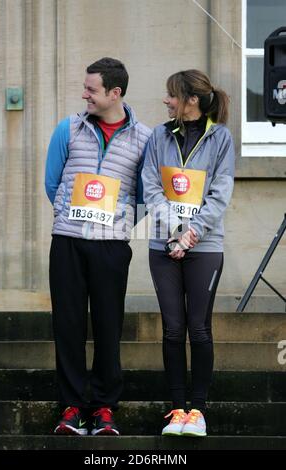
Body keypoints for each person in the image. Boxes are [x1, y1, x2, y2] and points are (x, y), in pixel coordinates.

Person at [45, 57, 151, 436]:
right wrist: (66, 216)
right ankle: (72, 408)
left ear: (115, 93)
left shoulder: (145, 138)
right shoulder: (68, 128)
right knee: (68, 326)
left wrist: (121, 225)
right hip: (68, 243)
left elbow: (146, 193)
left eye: (91, 89)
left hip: (111, 249)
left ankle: (104, 408)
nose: (84, 94)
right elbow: (52, 182)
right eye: (85, 87)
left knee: (108, 327)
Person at [142, 69, 235, 437]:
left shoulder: (221, 138)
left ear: (191, 100)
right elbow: (151, 186)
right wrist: (176, 232)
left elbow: (221, 192)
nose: (166, 101)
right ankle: (178, 409)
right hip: (163, 246)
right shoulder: (158, 136)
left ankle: (198, 410)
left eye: (171, 95)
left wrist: (191, 235)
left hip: (205, 247)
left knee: (198, 329)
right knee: (172, 329)